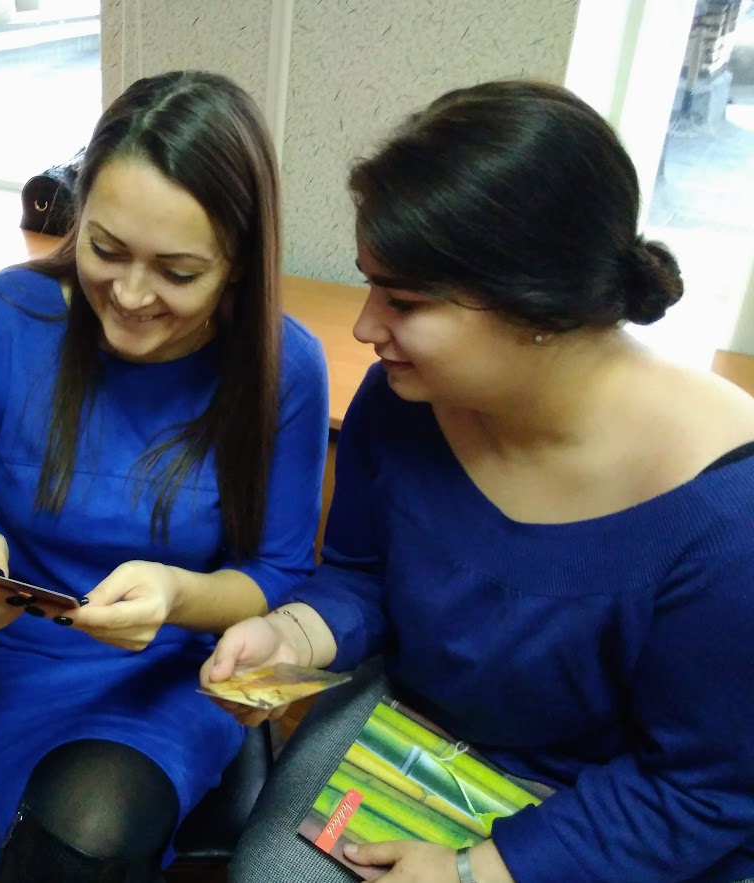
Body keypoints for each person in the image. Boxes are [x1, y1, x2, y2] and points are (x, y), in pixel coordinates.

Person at [203, 80, 754, 883]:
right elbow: (362, 575)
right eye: (370, 284)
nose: (365, 325)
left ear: (539, 305)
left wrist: (480, 871)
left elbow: (700, 786)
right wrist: (293, 637)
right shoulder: (404, 399)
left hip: (618, 804)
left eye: (404, 300)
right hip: (422, 725)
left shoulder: (728, 515)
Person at [0, 70, 329, 880]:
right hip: (5, 653)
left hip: (174, 669)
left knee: (89, 832)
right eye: (105, 250)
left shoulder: (285, 367)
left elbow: (276, 572)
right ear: (78, 214)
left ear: (238, 262)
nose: (130, 295)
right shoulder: (0, 318)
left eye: (178, 272)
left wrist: (176, 594)